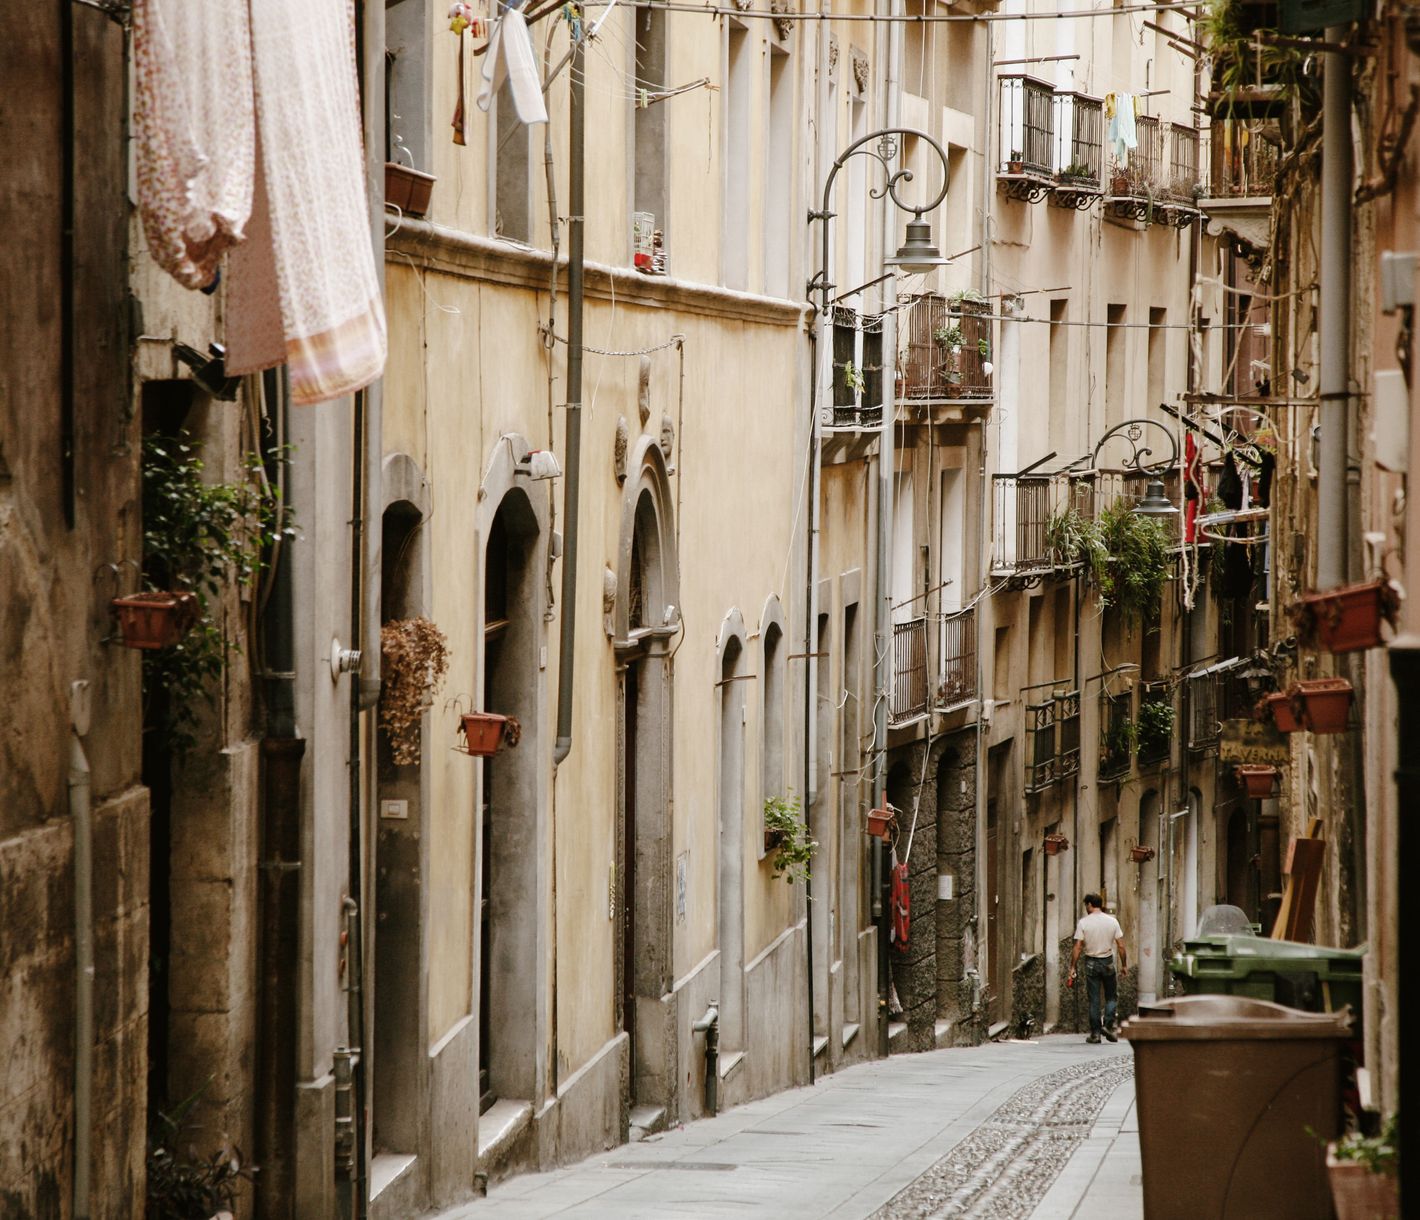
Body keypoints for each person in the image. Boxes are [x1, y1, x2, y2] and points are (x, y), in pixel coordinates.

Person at [1069, 893, 1127, 1044]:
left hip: (1091, 962)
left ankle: (1095, 1034)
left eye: (1086, 905)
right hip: (1107, 960)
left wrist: (1072, 967)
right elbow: (1121, 945)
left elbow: (1077, 947)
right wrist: (1124, 965)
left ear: (1089, 905)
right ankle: (1108, 1025)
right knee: (1111, 996)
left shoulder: (1083, 923)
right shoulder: (1112, 921)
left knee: (1094, 999)